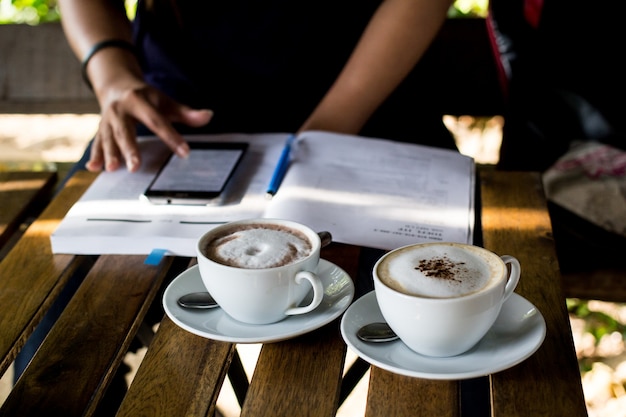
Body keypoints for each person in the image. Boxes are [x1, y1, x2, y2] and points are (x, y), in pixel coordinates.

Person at [15, 0, 459, 401]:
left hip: (373, 109)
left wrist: (327, 130)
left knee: (463, 326)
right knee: (54, 340)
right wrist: (113, 77)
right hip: (174, 118)